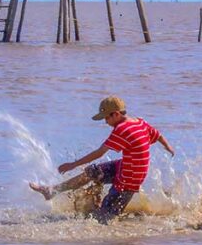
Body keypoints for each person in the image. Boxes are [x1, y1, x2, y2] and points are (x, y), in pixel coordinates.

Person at [29, 96, 174, 223]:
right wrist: (168, 146)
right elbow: (158, 134)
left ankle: (108, 214)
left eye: (106, 118)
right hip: (124, 167)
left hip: (129, 179)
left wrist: (73, 165)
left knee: (102, 220)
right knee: (92, 172)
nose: (105, 122)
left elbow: (100, 152)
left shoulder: (121, 129)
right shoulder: (140, 122)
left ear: (116, 114)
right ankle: (53, 191)